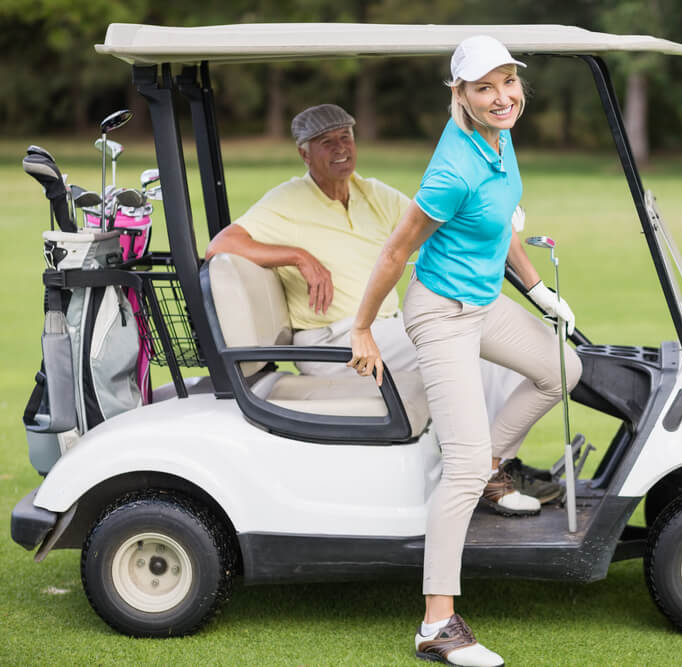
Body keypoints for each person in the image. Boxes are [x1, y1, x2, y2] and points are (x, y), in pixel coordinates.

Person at [348, 36, 583, 667]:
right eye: (485, 88)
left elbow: (502, 229)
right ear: (462, 95)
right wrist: (363, 327)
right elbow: (396, 251)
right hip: (442, 313)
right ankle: (437, 625)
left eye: (509, 82)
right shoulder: (453, 168)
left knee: (564, 370)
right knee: (462, 465)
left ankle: (490, 470)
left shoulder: (500, 140)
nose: (502, 96)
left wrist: (540, 294)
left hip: (484, 303)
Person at [203, 103, 536, 434]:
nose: (340, 149)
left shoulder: (372, 193)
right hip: (331, 342)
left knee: (491, 346)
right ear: (305, 155)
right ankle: (495, 469)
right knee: (471, 346)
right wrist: (298, 256)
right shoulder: (287, 199)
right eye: (326, 142)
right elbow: (220, 245)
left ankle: (493, 460)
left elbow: (437, 224)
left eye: (345, 137)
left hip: (383, 329)